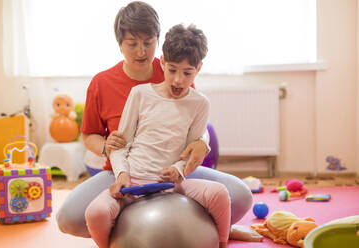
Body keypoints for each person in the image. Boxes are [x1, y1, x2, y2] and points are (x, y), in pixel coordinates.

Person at [56, 0, 252, 238]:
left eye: (148, 43)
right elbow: (89, 134)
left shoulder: (174, 70)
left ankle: (204, 228)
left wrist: (203, 142)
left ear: (157, 42)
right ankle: (132, 228)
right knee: (68, 219)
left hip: (172, 171)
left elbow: (197, 122)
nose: (141, 51)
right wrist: (108, 149)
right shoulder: (102, 83)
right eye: (133, 44)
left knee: (240, 195)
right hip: (125, 173)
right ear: (120, 45)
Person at [85, 24, 231, 248]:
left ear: (198, 68)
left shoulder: (200, 104)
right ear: (161, 62)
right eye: (172, 70)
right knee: (95, 213)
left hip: (171, 185)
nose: (178, 80)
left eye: (187, 73)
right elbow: (120, 145)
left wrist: (179, 170)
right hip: (131, 184)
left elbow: (191, 151)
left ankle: (222, 242)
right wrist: (122, 174)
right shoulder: (140, 94)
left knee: (220, 193)